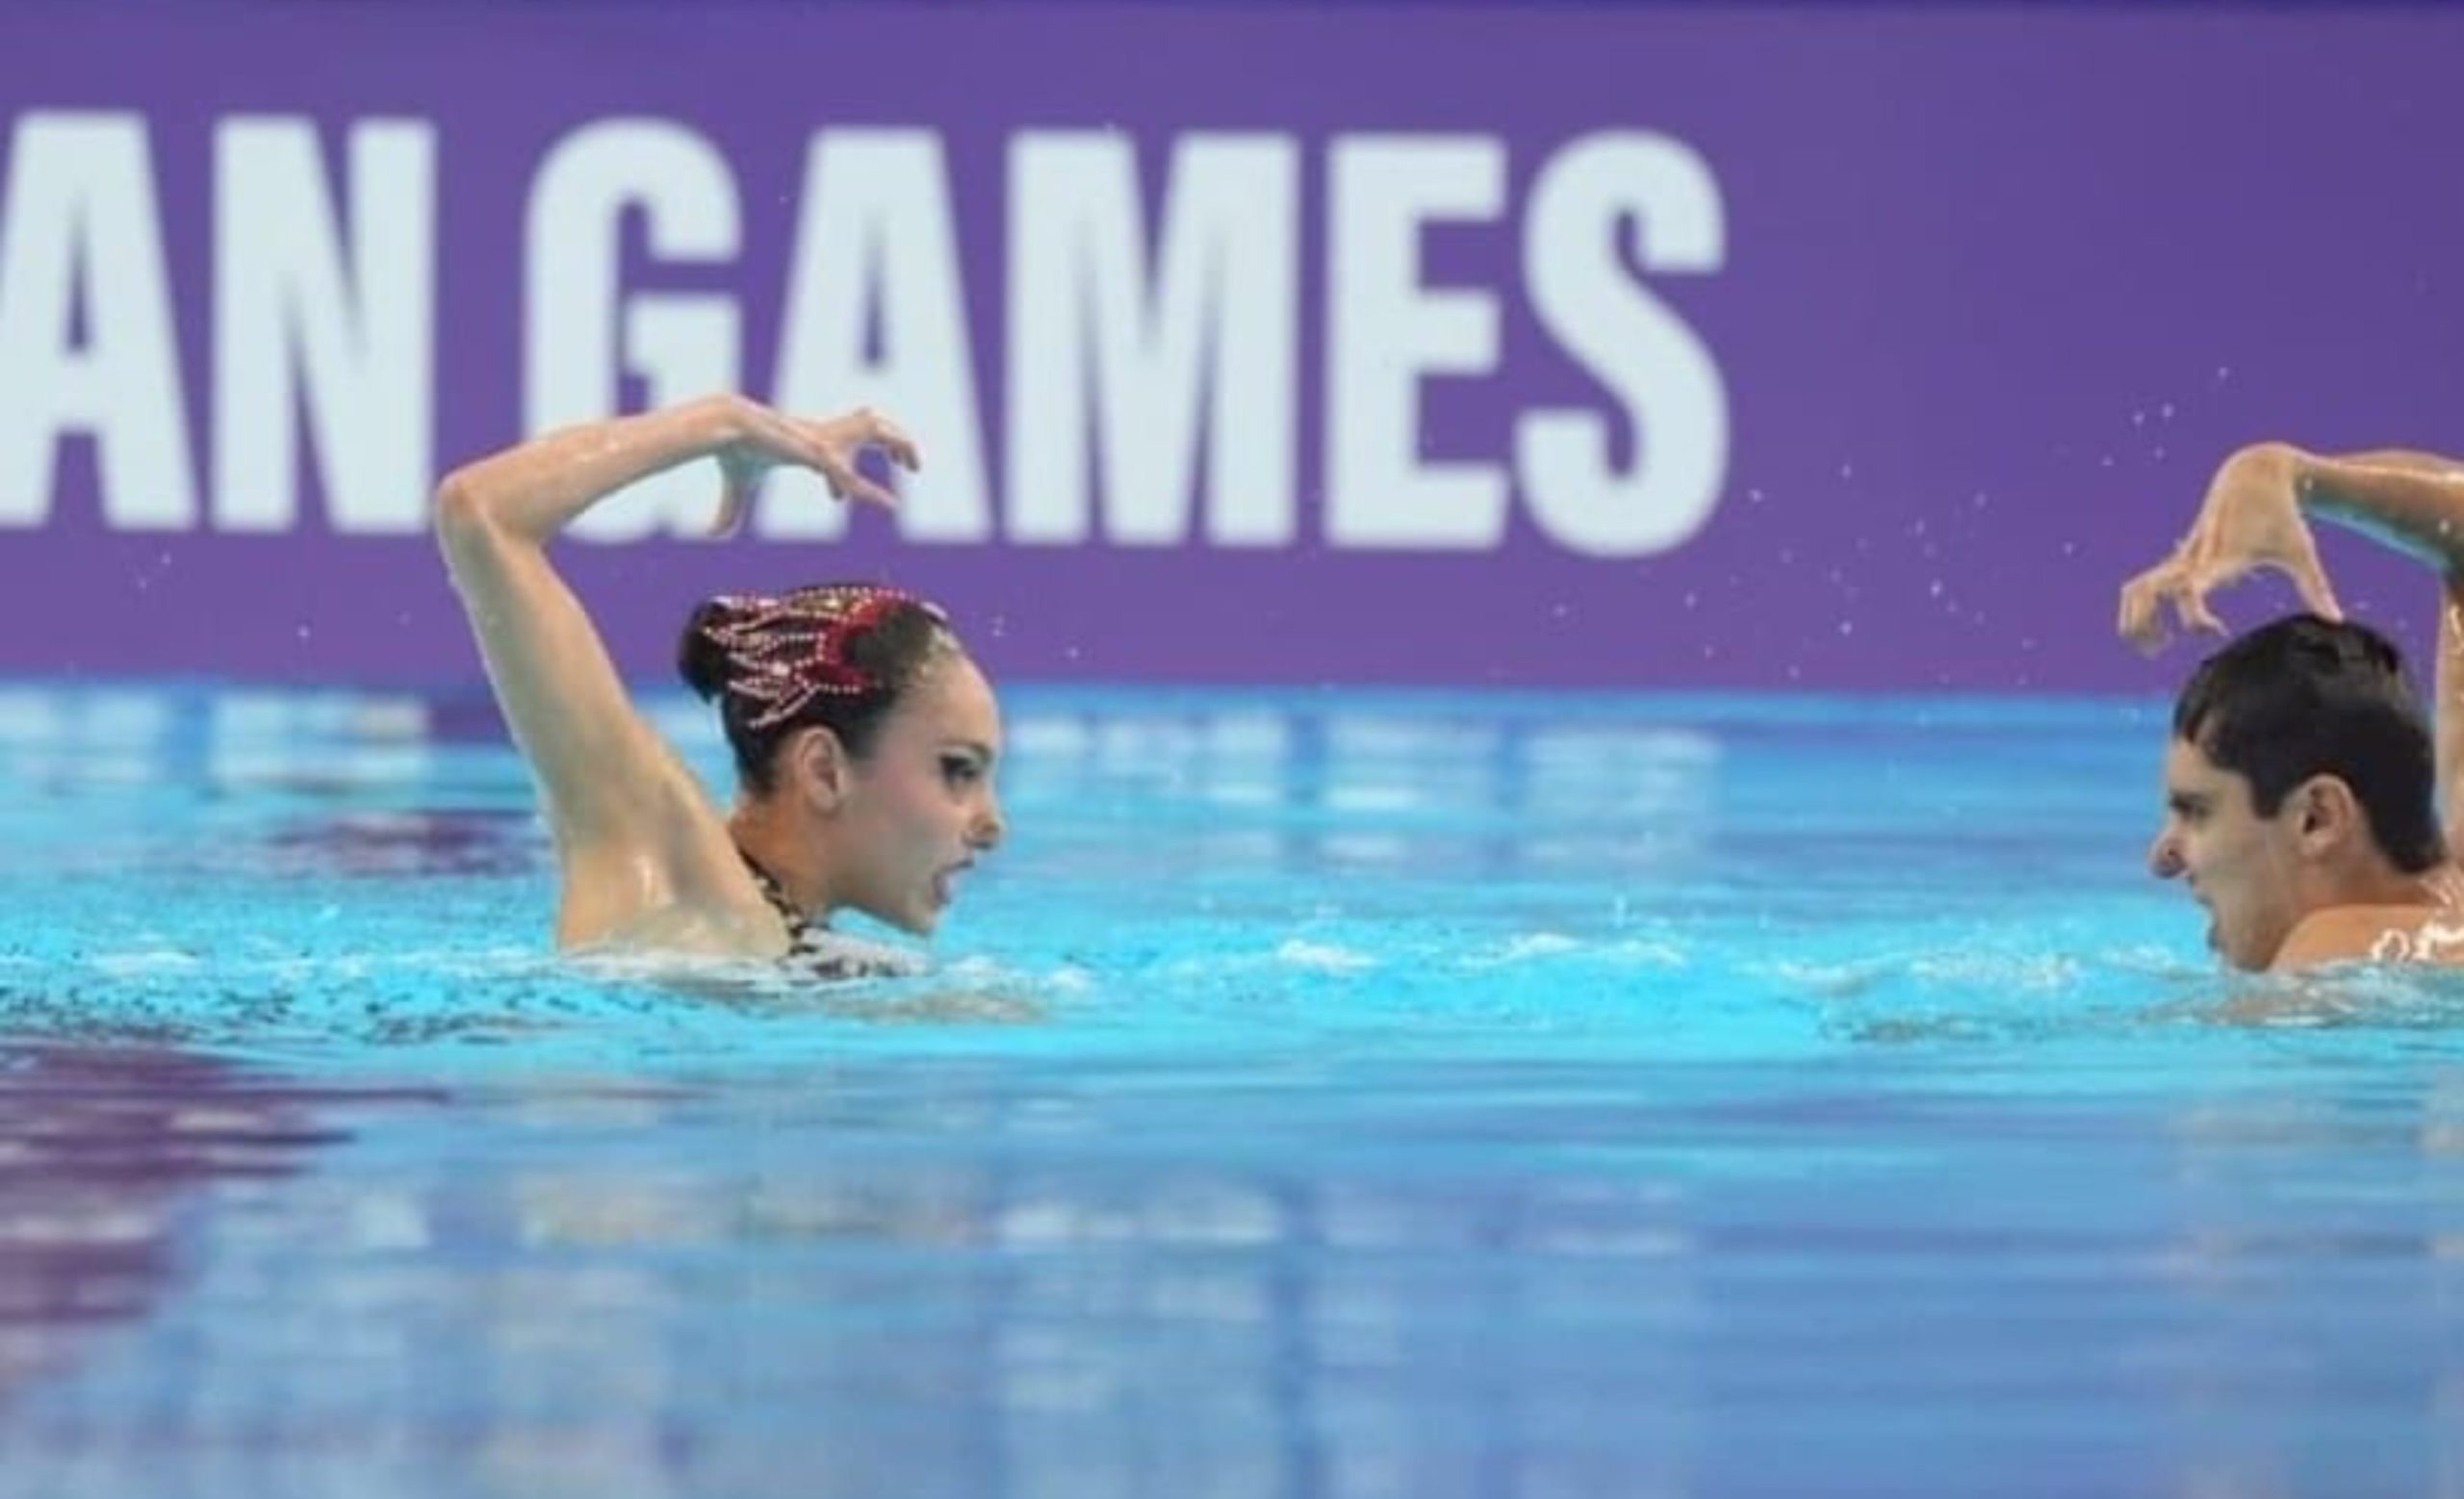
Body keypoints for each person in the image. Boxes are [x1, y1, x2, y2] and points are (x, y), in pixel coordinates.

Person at [432, 393, 1005, 973]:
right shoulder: (675, 875)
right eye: (957, 770)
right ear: (824, 771)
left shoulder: (808, 945)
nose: (992, 825)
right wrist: (721, 423)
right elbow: (482, 511)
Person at [2119, 442, 2464, 970]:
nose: (2161, 857)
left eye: (2197, 811)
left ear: (2317, 818)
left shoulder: (2333, 951)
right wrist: (2287, 473)